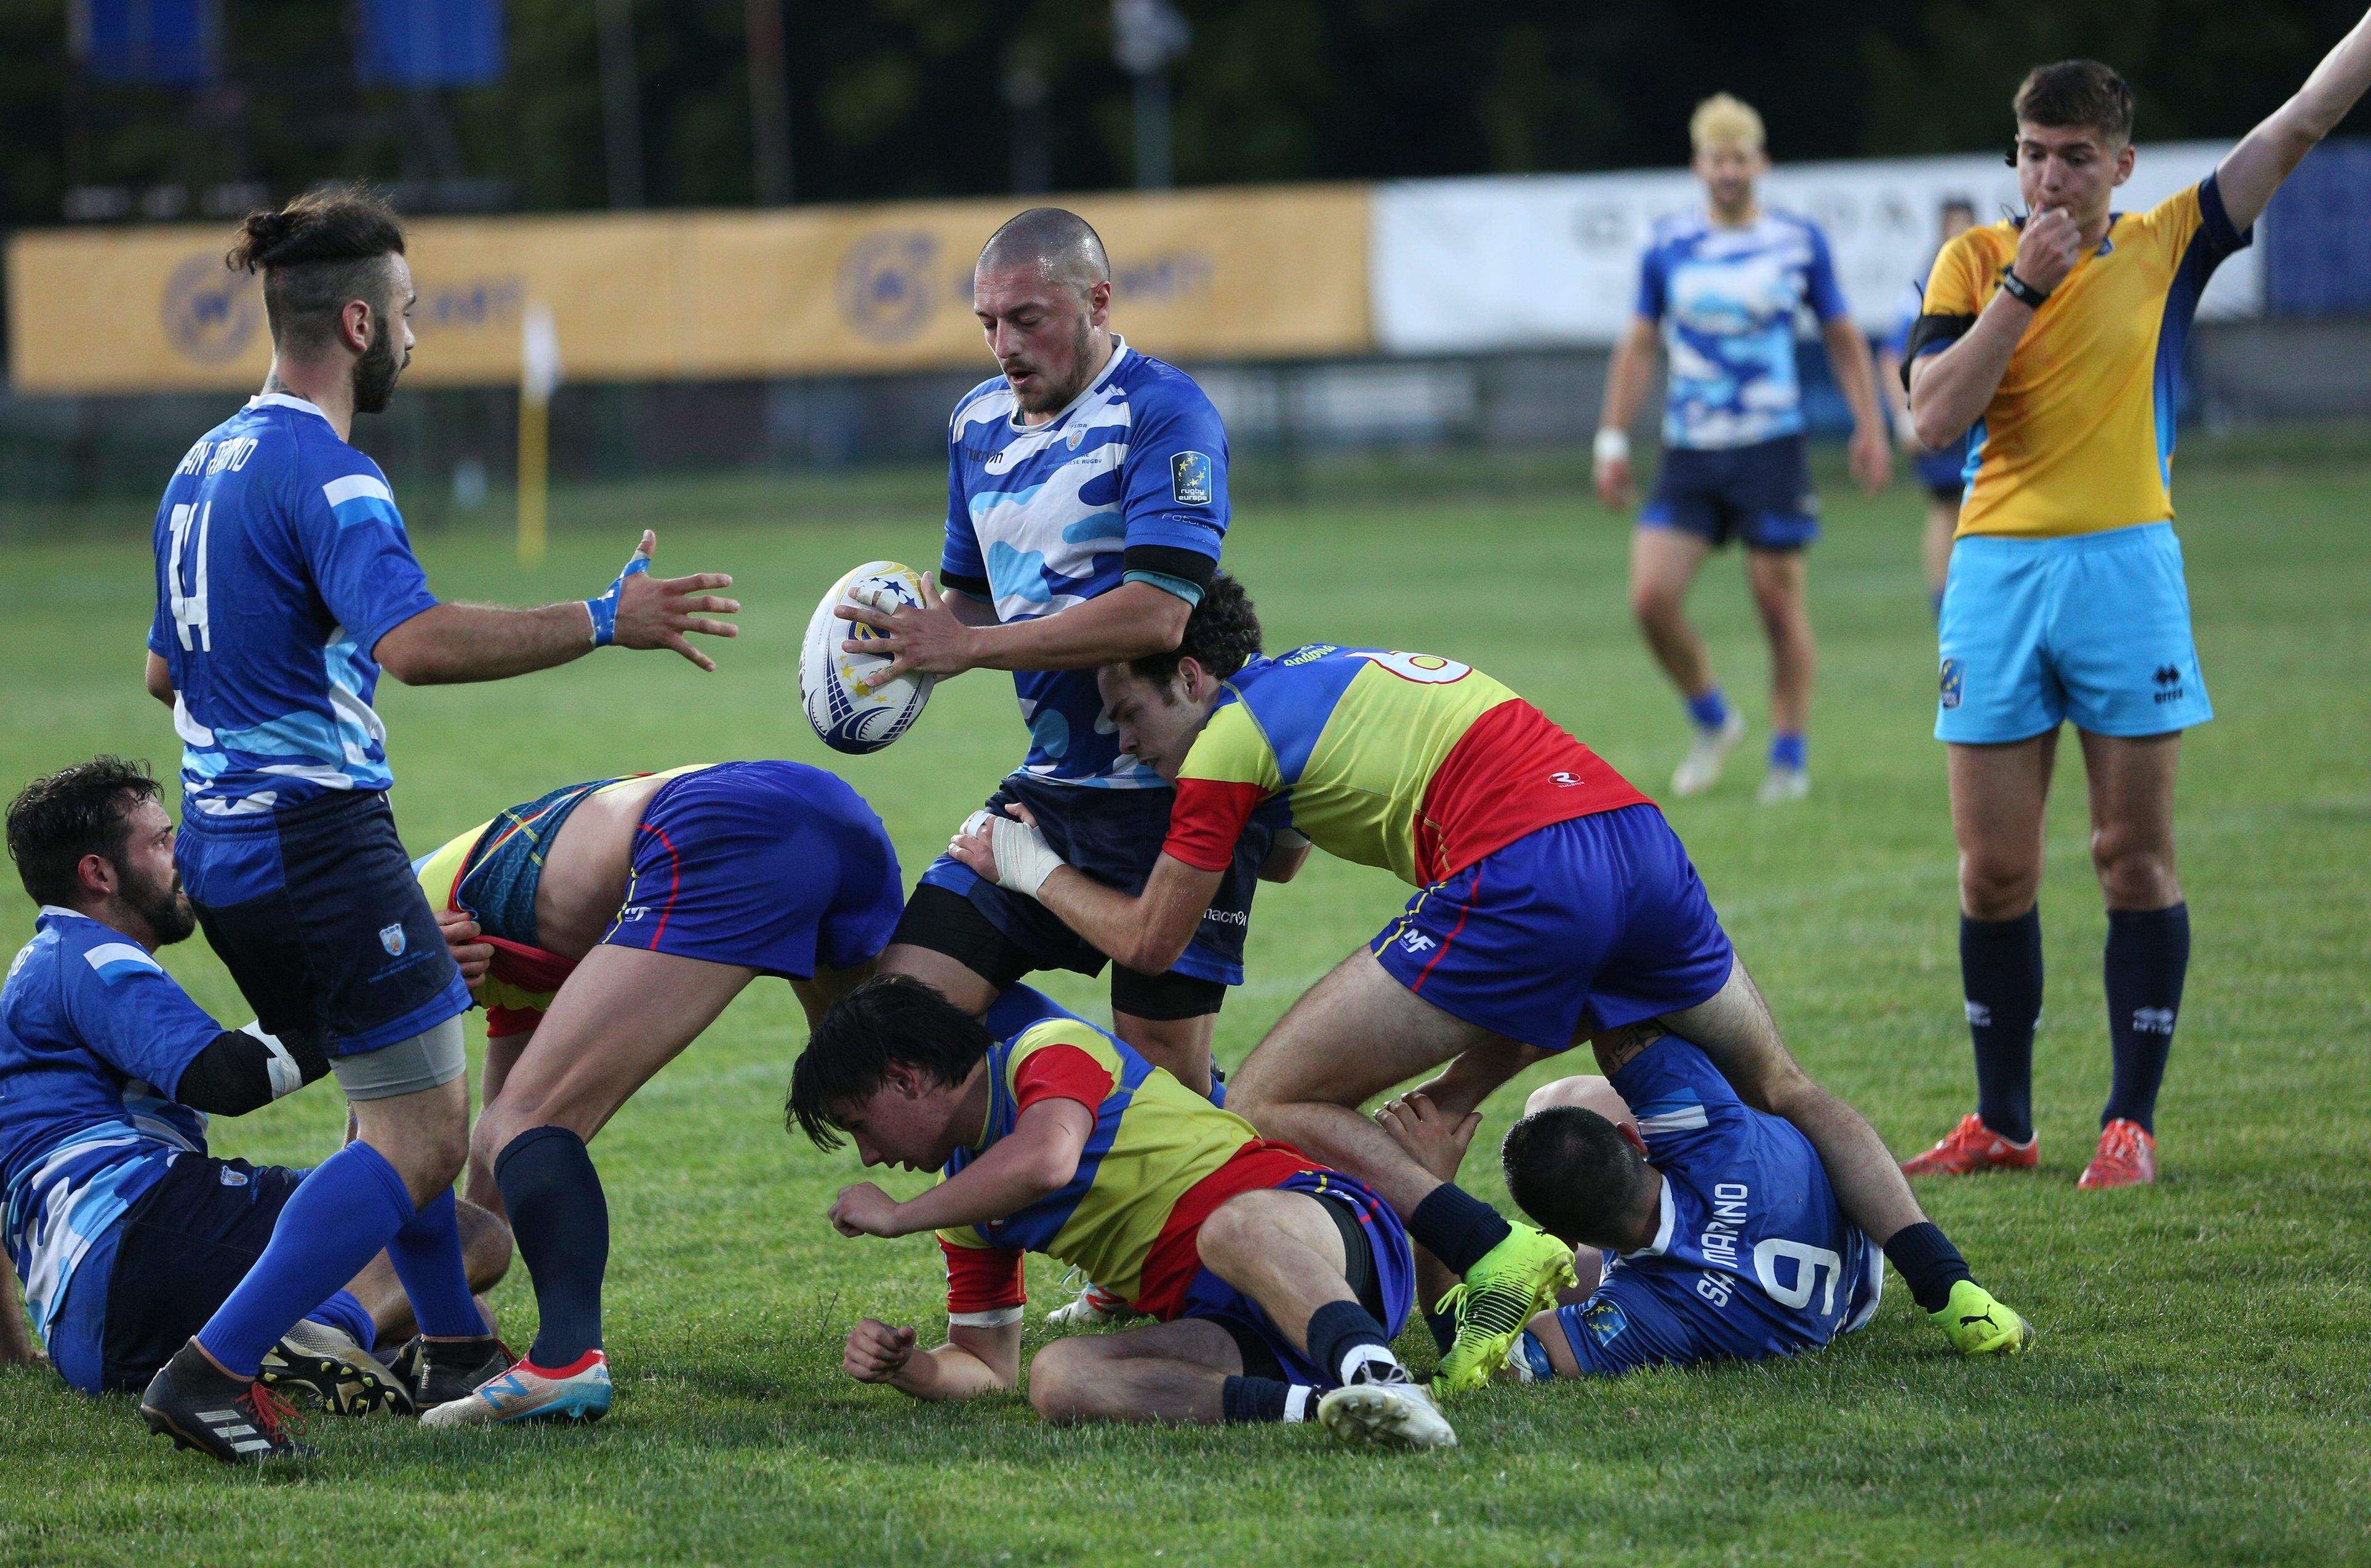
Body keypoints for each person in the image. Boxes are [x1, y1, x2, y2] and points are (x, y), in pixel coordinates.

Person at [949, 576, 2032, 1390]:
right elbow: (1286, 854)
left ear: (1189, 676)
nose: (1131, 748)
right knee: (1782, 1084)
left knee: (1269, 1097)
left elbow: (1148, 942)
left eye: (1130, 715)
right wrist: (1461, 1088)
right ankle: (1957, 1289)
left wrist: (1025, 863)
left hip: (1522, 868)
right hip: (1635, 840)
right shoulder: (1308, 680)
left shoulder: (1227, 737)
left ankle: (1491, 1248)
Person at [137, 185, 742, 1462]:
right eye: (407, 313)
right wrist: (601, 618)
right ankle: (211, 1366)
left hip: (228, 847)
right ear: (357, 322)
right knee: (420, 1138)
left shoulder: (199, 469)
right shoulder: (331, 471)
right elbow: (410, 646)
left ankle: (455, 1344)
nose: (416, 336)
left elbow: (162, 672)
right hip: (318, 842)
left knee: (391, 1101)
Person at [1900, 10, 2371, 1190]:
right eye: (2030, 151)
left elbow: (2305, 117)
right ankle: (2001, 1119)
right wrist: (2020, 287)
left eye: (2071, 154)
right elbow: (1930, 416)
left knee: (2130, 854)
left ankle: (2129, 1122)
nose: (2048, 174)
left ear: (2121, 163)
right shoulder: (1973, 262)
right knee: (1990, 873)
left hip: (2127, 570)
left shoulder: (2172, 241)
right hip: (1996, 577)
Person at [838, 206, 1301, 1325]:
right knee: (900, 1018)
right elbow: (969, 600)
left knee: (1171, 1094)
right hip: (1049, 793)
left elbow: (1158, 607)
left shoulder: (1166, 413)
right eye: (988, 322)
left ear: (1097, 303)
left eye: (1028, 318)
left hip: (1178, 791)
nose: (1004, 344)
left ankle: (1193, 1249)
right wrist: (895, 646)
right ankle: (986, 1295)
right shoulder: (974, 426)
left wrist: (969, 645)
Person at [0, 759, 510, 1438]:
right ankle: (313, 1332)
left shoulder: (30, 987)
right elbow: (226, 1078)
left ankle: (328, 1343)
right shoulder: (91, 958)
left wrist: (10, 1356)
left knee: (454, 1305)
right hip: (138, 1234)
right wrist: (388, 987)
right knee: (475, 1238)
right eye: (160, 842)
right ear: (99, 874)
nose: (181, 857)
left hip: (95, 1346)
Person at [405, 759, 904, 1427]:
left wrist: (360, 1318)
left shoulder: (399, 933)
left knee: (526, 1121)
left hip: (719, 827)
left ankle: (563, 1363)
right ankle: (1016, 1297)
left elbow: (389, 1172)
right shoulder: (511, 950)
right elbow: (487, 1188)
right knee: (901, 1077)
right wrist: (457, 1318)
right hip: (830, 809)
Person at [789, 976, 1455, 1453]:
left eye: (860, 1124)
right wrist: (911, 1369)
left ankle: (1381, 1377)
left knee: (1229, 1226)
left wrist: (900, 1215)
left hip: (1327, 1242)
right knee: (1059, 1379)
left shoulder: (1044, 1049)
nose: (870, 1154)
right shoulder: (965, 1201)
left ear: (906, 1078)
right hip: (1237, 1327)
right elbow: (987, 1369)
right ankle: (1337, 1408)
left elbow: (1047, 1159)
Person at [1592, 94, 1894, 803]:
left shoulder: (1797, 241)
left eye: (1740, 158)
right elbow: (1638, 344)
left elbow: (1844, 337)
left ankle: (1788, 756)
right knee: (1649, 598)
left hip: (1770, 450)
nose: (1728, 172)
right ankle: (1713, 718)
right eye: (1716, 159)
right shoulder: (1668, 245)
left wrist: (1870, 425)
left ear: (1762, 162)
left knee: (1776, 605)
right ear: (1699, 166)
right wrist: (1611, 440)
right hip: (1690, 451)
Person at [1375, 1023, 1892, 1382]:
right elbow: (1615, 998)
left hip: (1843, 1308)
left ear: (1560, 1231)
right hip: (1855, 1223)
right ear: (1636, 1138)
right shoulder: (1718, 1130)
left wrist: (1430, 1191)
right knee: (1556, 1099)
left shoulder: (1644, 1317)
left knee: (1549, 1115)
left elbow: (1478, 1358)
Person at [1878, 197, 1982, 612]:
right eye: (1950, 228)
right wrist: (1905, 417)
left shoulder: (1997, 278)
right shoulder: (1927, 286)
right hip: (1945, 411)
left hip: (1984, 412)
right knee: (1947, 505)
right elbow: (1890, 356)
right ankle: (1945, 604)